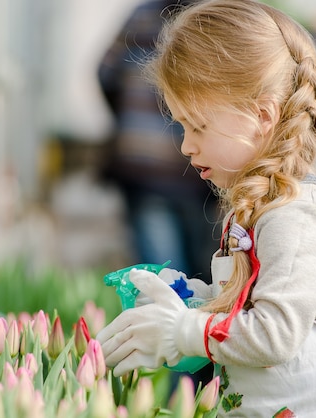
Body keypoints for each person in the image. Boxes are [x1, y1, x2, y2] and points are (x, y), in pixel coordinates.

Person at [97, 1, 316, 416]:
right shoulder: (262, 208)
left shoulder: (296, 215)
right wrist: (193, 299)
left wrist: (184, 332)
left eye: (199, 126)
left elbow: (275, 334)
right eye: (181, 125)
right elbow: (252, 305)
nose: (186, 145)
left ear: (262, 114)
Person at [96, 0, 218, 281]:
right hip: (194, 173)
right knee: (197, 276)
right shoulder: (217, 19)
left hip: (147, 165)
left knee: (165, 276)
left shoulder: (142, 15)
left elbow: (105, 73)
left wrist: (129, 120)